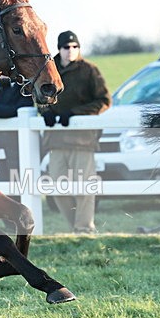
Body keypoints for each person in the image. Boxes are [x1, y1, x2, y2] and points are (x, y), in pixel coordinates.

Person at [39, 31, 110, 234]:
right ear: (59, 49)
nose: (70, 51)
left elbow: (104, 100)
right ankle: (74, 227)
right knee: (56, 188)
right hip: (55, 141)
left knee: (85, 187)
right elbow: (39, 96)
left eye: (74, 47)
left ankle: (84, 228)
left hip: (82, 141)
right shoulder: (48, 68)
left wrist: (76, 114)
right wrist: (45, 111)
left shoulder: (89, 70)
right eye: (66, 47)